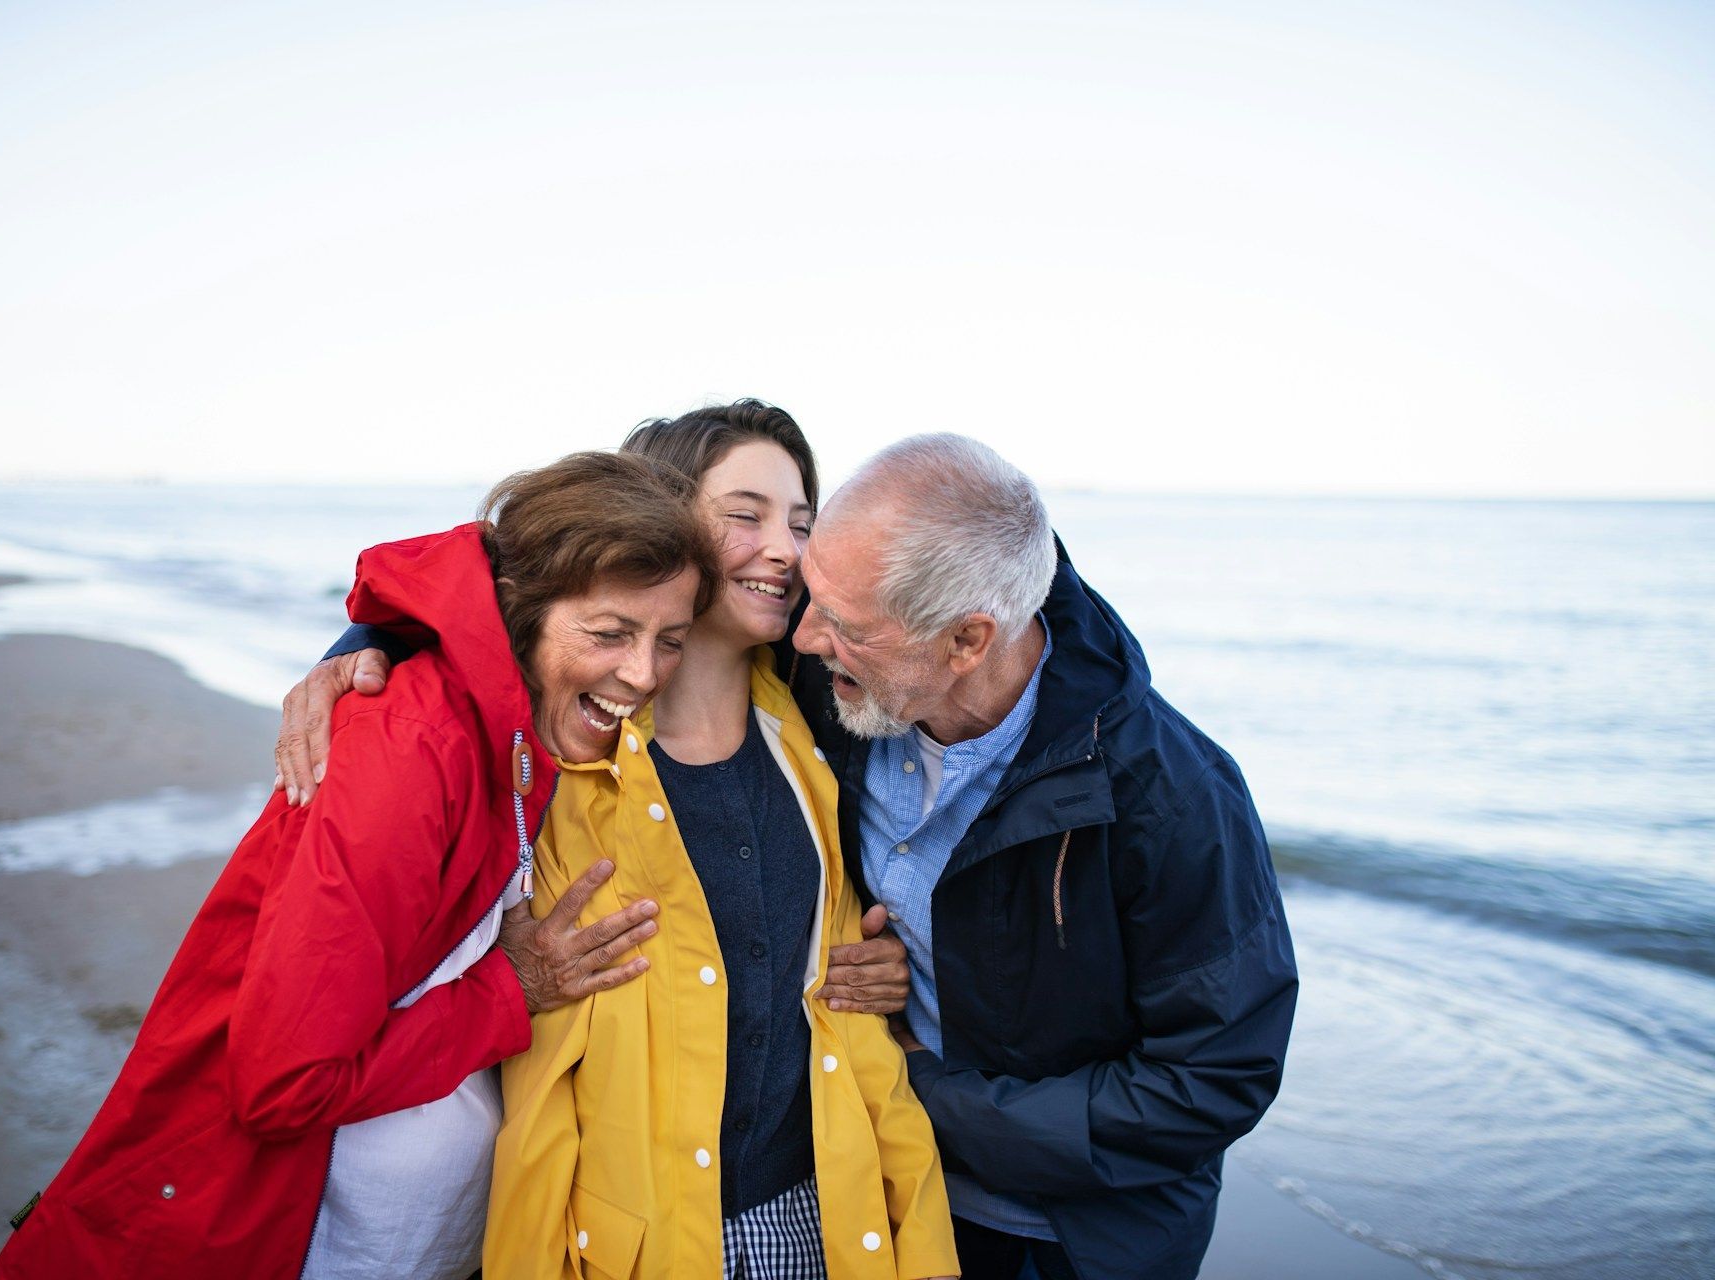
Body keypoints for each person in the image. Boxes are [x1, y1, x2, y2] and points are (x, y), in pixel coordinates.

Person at [290, 430, 1298, 1280]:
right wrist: (369, 644)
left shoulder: (1170, 793)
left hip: (1072, 1237)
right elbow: (564, 576)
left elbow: (1214, 1079)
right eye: (807, 585)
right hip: (897, 1188)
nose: (805, 630)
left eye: (842, 621)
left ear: (965, 640)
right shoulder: (839, 690)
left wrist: (925, 1086)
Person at [0, 451, 718, 1280]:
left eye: (672, 642)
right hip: (252, 1230)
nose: (644, 673)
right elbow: (283, 1082)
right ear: (521, 614)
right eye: (609, 633)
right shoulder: (413, 751)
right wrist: (512, 992)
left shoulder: (515, 733)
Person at [309, 402, 958, 1280]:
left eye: (804, 523)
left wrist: (899, 978)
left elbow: (1002, 601)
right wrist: (365, 640)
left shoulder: (826, 725)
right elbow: (489, 589)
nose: (787, 548)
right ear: (660, 522)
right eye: (746, 515)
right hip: (629, 1240)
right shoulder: (553, 755)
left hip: (824, 1218)